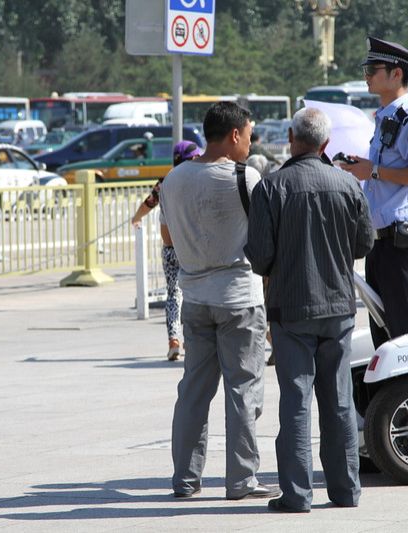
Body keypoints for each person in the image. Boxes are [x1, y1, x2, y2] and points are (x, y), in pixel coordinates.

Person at [245, 107, 373, 513]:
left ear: (290, 135)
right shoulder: (349, 185)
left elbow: (260, 257)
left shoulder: (271, 188)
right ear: (326, 144)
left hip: (291, 308)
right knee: (338, 401)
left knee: (296, 400)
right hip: (338, 307)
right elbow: (364, 243)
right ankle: (346, 489)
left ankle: (298, 494)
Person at [160, 101, 279, 501]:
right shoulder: (244, 178)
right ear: (233, 135)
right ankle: (241, 480)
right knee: (243, 390)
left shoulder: (173, 180)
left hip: (194, 299)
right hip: (239, 299)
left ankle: (185, 479)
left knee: (194, 391)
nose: (250, 141)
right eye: (248, 134)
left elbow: (170, 238)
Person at [342, 36, 408, 349]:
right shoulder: (387, 117)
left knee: (406, 335)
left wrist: (372, 171)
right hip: (380, 240)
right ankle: (394, 399)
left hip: (401, 240)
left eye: (374, 68)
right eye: (366, 68)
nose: (367, 75)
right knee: (383, 336)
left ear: (396, 74)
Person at [130, 141, 203, 361]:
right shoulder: (198, 181)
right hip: (190, 248)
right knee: (193, 295)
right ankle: (191, 341)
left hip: (170, 249)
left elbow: (148, 203)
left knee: (174, 295)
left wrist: (136, 218)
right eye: (195, 157)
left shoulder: (165, 182)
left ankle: (174, 339)